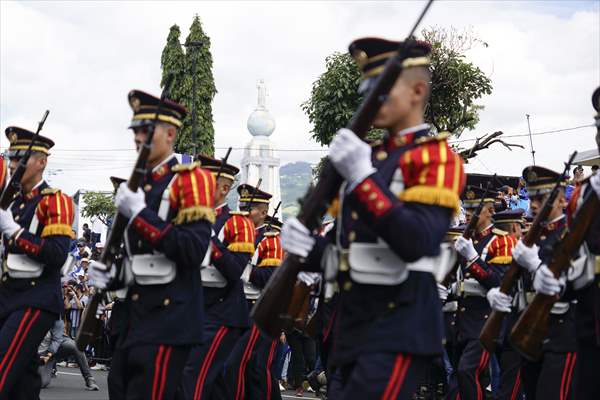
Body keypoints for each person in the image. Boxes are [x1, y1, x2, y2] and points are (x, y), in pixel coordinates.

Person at [281, 37, 466, 399]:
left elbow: (418, 242)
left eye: (381, 90)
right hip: (349, 324)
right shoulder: (369, 158)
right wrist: (310, 249)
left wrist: (363, 179)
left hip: (399, 324)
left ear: (417, 90)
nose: (370, 100)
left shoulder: (435, 158)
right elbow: (348, 249)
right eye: (366, 91)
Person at [88, 89, 215, 399]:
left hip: (170, 319)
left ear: (170, 133)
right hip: (134, 318)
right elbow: (139, 261)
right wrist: (112, 277)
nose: (138, 138)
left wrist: (141, 214)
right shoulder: (141, 185)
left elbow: (192, 250)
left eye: (147, 130)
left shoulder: (190, 179)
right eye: (136, 130)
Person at [0, 127, 75, 399]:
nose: (13, 166)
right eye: (11, 159)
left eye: (21, 159)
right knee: (23, 382)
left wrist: (16, 232)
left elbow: (56, 254)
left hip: (35, 297)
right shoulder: (11, 202)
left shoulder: (55, 201)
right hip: (8, 295)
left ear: (42, 162)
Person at [178, 155, 256, 400]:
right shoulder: (187, 219)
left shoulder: (237, 224)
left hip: (221, 313)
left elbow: (234, 270)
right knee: (210, 385)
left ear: (223, 188)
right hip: (191, 309)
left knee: (193, 377)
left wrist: (208, 239)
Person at [509, 166, 577, 400]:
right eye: (532, 197)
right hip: (531, 335)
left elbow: (574, 285)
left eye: (541, 198)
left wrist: (535, 266)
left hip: (563, 335)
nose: (534, 204)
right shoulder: (532, 237)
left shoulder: (574, 234)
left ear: (560, 200)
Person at [37, 318, 99, 390]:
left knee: (76, 346)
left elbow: (57, 340)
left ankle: (89, 379)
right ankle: (50, 368)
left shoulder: (55, 317)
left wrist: (48, 355)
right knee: (41, 383)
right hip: (40, 353)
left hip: (57, 346)